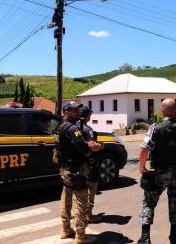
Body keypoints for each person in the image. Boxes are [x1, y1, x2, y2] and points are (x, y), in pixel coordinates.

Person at [137, 98, 176, 244]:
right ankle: (174, 237)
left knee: (149, 202)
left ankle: (145, 237)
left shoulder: (156, 127)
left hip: (159, 173)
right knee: (175, 203)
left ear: (162, 110)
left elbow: (145, 148)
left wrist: (142, 167)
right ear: (175, 110)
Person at [56, 101, 103, 244]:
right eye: (74, 110)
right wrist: (94, 147)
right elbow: (85, 150)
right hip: (76, 170)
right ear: (66, 111)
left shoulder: (59, 127)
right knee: (81, 201)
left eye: (77, 110)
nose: (77, 112)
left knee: (66, 198)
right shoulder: (72, 129)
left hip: (65, 169)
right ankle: (81, 236)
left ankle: (65, 228)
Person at [78, 106, 103, 224]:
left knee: (78, 191)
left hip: (77, 164)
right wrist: (101, 146)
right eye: (89, 115)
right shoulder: (88, 129)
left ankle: (78, 213)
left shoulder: (74, 127)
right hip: (88, 164)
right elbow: (94, 147)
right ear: (87, 115)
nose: (90, 117)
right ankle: (88, 214)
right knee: (91, 188)